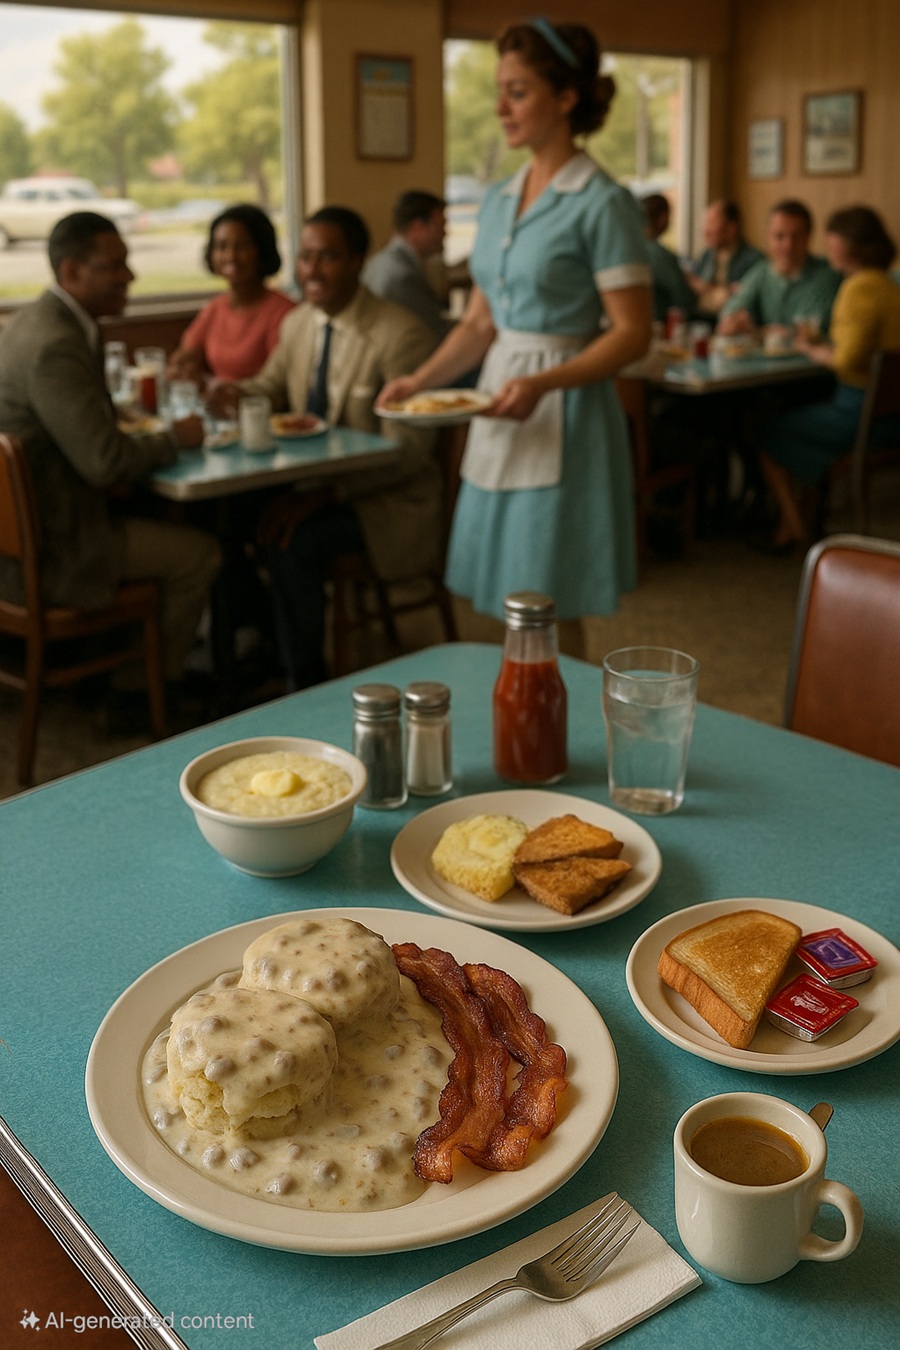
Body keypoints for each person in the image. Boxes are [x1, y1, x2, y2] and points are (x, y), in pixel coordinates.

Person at [378, 18, 652, 656]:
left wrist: (543, 382)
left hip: (564, 403)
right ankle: (519, 735)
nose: (499, 107)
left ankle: (563, 736)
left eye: (518, 91)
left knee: (546, 606)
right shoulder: (500, 199)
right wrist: (421, 381)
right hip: (501, 395)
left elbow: (634, 333)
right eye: (499, 90)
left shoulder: (601, 201)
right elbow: (480, 323)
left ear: (566, 98)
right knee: (500, 597)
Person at [208, 205, 442, 690]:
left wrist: (328, 493)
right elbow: (270, 385)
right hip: (312, 481)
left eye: (328, 257)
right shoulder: (300, 323)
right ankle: (248, 662)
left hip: (383, 501)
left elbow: (411, 452)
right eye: (306, 257)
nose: (311, 270)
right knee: (225, 522)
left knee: (292, 542)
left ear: (358, 261)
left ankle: (305, 682)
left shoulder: (400, 335)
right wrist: (233, 392)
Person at [0, 211, 221, 711]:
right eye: (114, 266)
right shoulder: (56, 344)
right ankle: (142, 691)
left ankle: (129, 665)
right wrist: (176, 437)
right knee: (199, 553)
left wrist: (109, 412)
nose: (130, 276)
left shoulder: (34, 320)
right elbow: (104, 463)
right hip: (61, 546)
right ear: (72, 272)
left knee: (164, 515)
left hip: (23, 538)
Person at [756, 206, 900, 552]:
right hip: (891, 417)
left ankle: (793, 526)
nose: (827, 244)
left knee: (767, 431)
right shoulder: (889, 285)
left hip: (859, 414)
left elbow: (846, 359)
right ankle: (799, 520)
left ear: (851, 245)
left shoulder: (858, 289)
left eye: (831, 237)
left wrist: (808, 348)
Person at [166, 204, 295, 383]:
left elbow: (279, 383)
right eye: (222, 246)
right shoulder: (215, 308)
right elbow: (185, 355)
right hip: (218, 404)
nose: (230, 256)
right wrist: (182, 367)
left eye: (241, 246)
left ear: (262, 250)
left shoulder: (284, 313)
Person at [718, 200, 841, 337]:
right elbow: (733, 307)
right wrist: (733, 320)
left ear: (808, 237)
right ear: (768, 237)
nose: (788, 245)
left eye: (796, 236)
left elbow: (816, 328)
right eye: (779, 236)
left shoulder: (827, 276)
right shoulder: (762, 271)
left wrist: (762, 332)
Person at [362, 190, 454, 343]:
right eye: (441, 225)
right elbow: (434, 332)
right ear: (418, 226)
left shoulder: (381, 261)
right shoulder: (402, 276)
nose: (445, 233)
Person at [687, 199, 763, 318]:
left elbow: (744, 299)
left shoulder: (754, 261)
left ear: (731, 227)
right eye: (705, 222)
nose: (706, 230)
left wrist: (709, 290)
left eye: (712, 222)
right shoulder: (706, 256)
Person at [642, 192, 695, 325]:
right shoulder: (660, 255)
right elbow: (684, 301)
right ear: (663, 218)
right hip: (657, 328)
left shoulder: (627, 249)